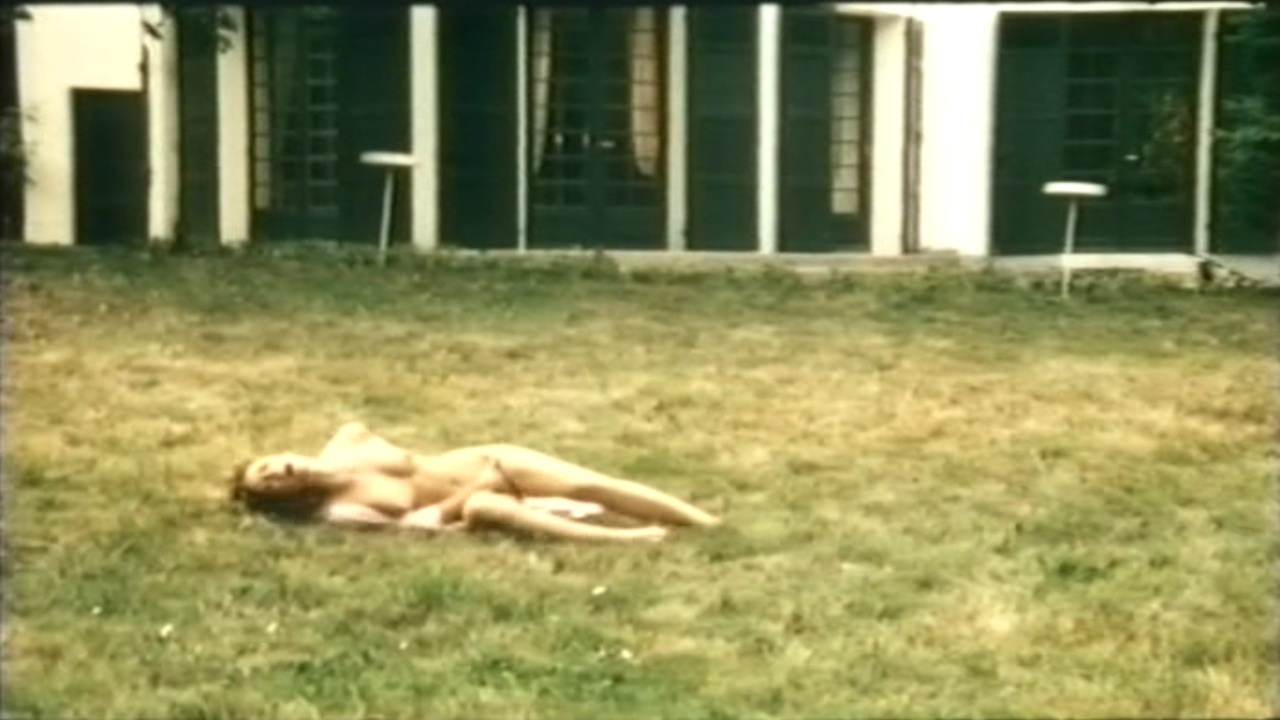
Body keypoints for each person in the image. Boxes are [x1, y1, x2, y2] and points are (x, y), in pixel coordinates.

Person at [228, 422, 720, 544]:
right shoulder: (340, 512)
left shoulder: (349, 440)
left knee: (583, 485)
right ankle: (630, 539)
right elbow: (421, 525)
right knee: (488, 507)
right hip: (471, 501)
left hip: (478, 462)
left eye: (269, 464)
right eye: (269, 483)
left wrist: (487, 471)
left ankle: (705, 523)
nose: (277, 471)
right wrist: (478, 488)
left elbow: (356, 426)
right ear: (286, 498)